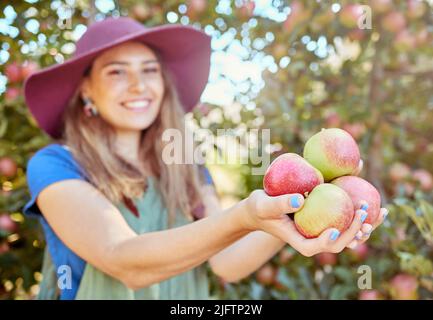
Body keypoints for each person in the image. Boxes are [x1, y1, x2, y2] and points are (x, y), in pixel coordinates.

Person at [23, 17, 388, 300]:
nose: (138, 85)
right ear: (86, 88)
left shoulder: (184, 166)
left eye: (149, 70)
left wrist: (293, 211)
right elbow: (123, 260)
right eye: (117, 71)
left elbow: (227, 262)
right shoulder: (56, 164)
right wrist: (246, 214)